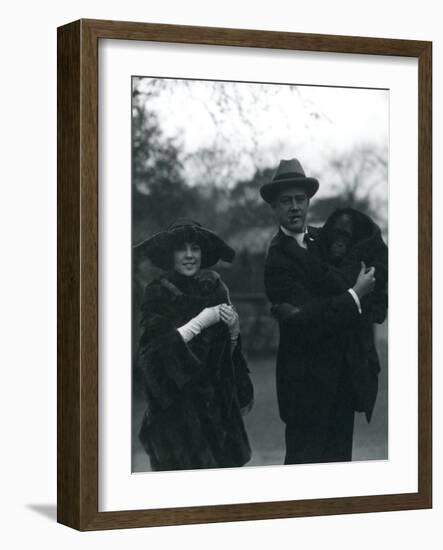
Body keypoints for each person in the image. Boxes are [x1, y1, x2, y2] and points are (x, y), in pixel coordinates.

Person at [261, 158, 387, 464]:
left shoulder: (326, 240)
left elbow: (369, 263)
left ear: (308, 202)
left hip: (342, 384)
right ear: (275, 208)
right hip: (305, 390)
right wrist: (355, 295)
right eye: (286, 201)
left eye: (300, 200)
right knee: (304, 479)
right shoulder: (277, 260)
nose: (294, 207)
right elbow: (307, 322)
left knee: (340, 475)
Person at [134, 219, 254, 471]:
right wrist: (198, 323)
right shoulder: (158, 295)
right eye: (181, 249)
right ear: (170, 254)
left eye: (195, 248)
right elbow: (151, 361)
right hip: (176, 421)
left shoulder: (217, 289)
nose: (189, 256)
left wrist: (233, 334)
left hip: (218, 420)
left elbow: (224, 363)